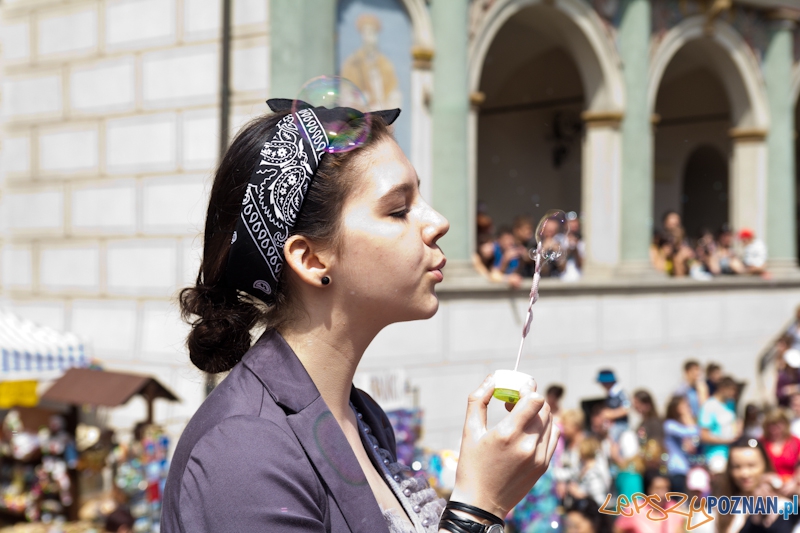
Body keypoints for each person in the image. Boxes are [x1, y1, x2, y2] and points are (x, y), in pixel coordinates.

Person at [161, 100, 558, 532]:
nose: (439, 222)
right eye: (398, 209)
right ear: (311, 258)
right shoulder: (243, 450)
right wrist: (477, 508)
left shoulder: (363, 417)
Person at [717, 438, 799, 533]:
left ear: (765, 465)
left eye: (751, 466)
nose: (745, 473)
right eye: (737, 467)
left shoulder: (783, 506)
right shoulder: (721, 506)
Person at [613, 471, 685, 533]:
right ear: (648, 489)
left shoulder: (673, 508)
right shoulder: (634, 509)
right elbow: (618, 529)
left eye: (666, 488)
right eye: (657, 489)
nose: (662, 494)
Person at [698, 376, 740, 475]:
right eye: (731, 390)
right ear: (722, 388)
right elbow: (703, 435)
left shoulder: (730, 404)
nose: (733, 393)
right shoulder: (709, 406)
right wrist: (726, 440)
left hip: (732, 453)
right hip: (716, 456)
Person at [662, 395, 700, 495]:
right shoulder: (669, 424)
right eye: (685, 405)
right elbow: (694, 432)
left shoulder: (679, 425)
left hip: (685, 468)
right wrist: (688, 418)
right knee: (678, 499)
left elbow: (694, 443)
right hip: (675, 468)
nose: (688, 408)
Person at [760, 408, 800, 482]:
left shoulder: (796, 442)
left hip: (792, 483)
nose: (774, 429)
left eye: (778, 425)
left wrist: (794, 481)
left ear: (785, 424)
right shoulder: (761, 442)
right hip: (768, 484)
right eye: (771, 425)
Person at [597, 369, 630, 442]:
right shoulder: (610, 394)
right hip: (612, 426)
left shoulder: (620, 393)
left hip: (620, 426)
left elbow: (627, 408)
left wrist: (611, 414)